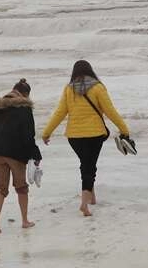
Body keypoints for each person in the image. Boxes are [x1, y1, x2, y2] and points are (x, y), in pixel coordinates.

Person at [41, 60, 131, 217]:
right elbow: (110, 111)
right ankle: (84, 204)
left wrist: (46, 132)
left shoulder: (69, 89)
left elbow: (60, 113)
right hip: (94, 135)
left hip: (74, 137)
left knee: (86, 163)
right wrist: (124, 129)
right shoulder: (98, 87)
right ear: (90, 71)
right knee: (89, 167)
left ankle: (92, 198)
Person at [0, 79, 42, 234]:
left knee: (0, 188)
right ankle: (25, 221)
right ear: (25, 94)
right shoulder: (24, 109)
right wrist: (35, 155)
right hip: (16, 154)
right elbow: (29, 136)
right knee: (21, 188)